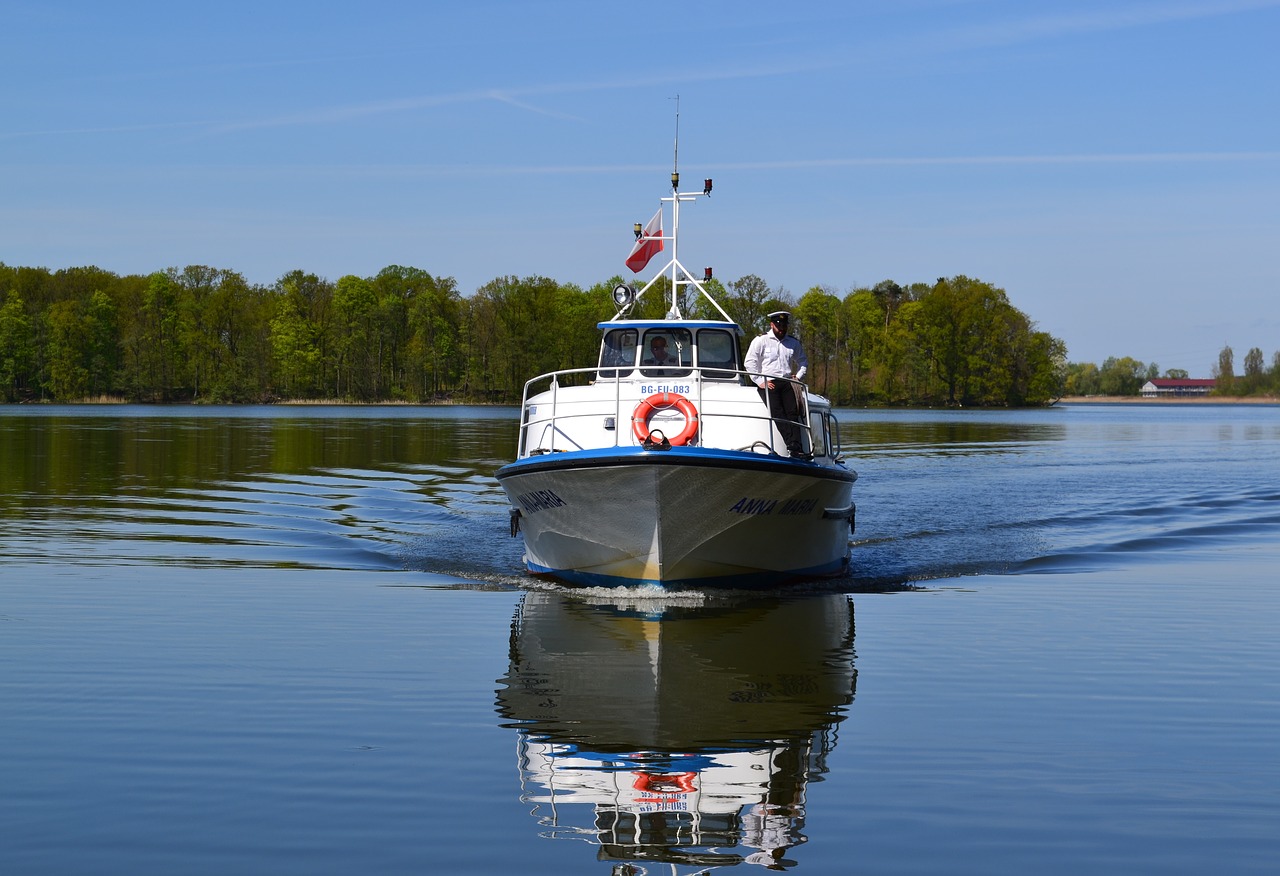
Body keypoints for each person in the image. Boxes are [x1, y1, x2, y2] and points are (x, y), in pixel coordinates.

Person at [743, 310, 809, 458]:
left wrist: (797, 377)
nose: (782, 329)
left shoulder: (793, 343)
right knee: (777, 412)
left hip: (787, 382)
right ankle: (791, 445)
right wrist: (760, 381)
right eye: (779, 326)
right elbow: (749, 362)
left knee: (793, 413)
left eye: (784, 326)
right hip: (768, 381)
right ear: (772, 325)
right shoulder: (761, 340)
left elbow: (803, 362)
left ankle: (797, 449)